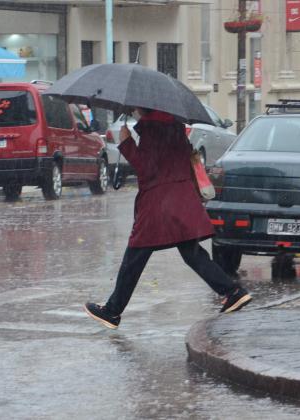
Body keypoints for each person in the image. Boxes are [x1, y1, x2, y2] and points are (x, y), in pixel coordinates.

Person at [84, 108, 251, 330]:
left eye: (134, 109)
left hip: (159, 205)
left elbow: (147, 169)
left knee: (134, 256)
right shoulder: (174, 126)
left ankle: (113, 311)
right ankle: (233, 292)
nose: (133, 112)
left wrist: (126, 143)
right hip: (180, 200)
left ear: (144, 109)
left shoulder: (153, 130)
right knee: (192, 254)